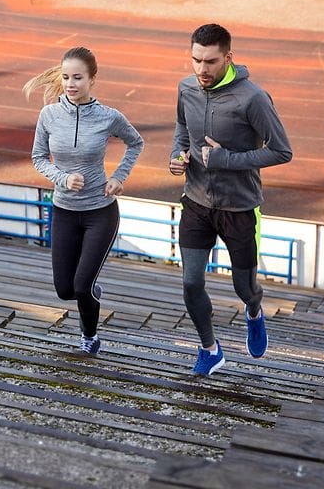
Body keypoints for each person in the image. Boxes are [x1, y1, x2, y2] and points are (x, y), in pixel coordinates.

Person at [169, 23, 293, 376]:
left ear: (228, 58)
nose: (201, 69)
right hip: (195, 201)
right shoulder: (185, 88)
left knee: (244, 287)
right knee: (191, 282)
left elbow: (282, 152)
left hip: (239, 208)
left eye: (210, 61)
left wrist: (227, 159)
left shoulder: (253, 98)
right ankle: (210, 349)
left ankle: (254, 311)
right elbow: (181, 129)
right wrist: (177, 156)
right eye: (195, 60)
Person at [27, 47, 145, 356]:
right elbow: (38, 158)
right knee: (65, 290)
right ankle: (89, 289)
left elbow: (136, 142)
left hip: (100, 213)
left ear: (92, 79)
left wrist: (119, 176)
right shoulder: (48, 115)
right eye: (66, 77)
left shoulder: (108, 117)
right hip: (64, 211)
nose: (70, 84)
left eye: (78, 77)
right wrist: (62, 178)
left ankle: (89, 338)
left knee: (81, 287)